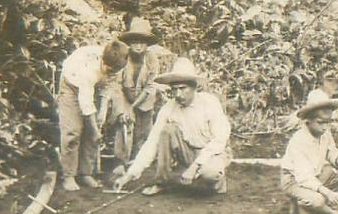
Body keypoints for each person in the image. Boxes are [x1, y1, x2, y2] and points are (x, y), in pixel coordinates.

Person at [113, 58, 231, 195]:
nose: (178, 94)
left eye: (183, 88)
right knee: (166, 130)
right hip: (187, 152)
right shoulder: (169, 108)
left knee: (210, 174)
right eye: (174, 90)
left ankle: (215, 181)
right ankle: (162, 181)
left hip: (212, 153)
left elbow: (220, 139)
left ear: (194, 87)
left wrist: (195, 166)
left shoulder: (209, 103)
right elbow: (152, 143)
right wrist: (128, 176)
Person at [57, 40, 130, 191]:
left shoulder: (119, 64)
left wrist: (101, 114)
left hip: (96, 87)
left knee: (94, 129)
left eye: (113, 71)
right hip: (71, 85)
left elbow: (108, 87)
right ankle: (68, 175)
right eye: (108, 69)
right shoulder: (89, 69)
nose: (111, 72)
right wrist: (96, 130)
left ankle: (85, 173)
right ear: (103, 61)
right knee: (73, 131)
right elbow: (86, 104)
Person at [280, 89, 338, 214]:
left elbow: (331, 150)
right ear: (308, 121)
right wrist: (328, 193)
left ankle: (304, 202)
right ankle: (310, 207)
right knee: (318, 200)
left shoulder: (325, 133)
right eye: (320, 122)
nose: (325, 127)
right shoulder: (299, 141)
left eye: (328, 122)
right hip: (294, 180)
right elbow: (304, 177)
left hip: (315, 173)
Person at [118, 17, 162, 156]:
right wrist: (128, 107)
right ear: (129, 43)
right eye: (135, 42)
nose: (138, 46)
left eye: (142, 42)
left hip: (145, 100)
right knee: (124, 125)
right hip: (125, 96)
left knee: (144, 131)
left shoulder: (151, 59)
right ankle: (121, 160)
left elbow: (150, 86)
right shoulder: (123, 57)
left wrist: (134, 105)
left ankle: (141, 159)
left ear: (147, 44)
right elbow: (120, 83)